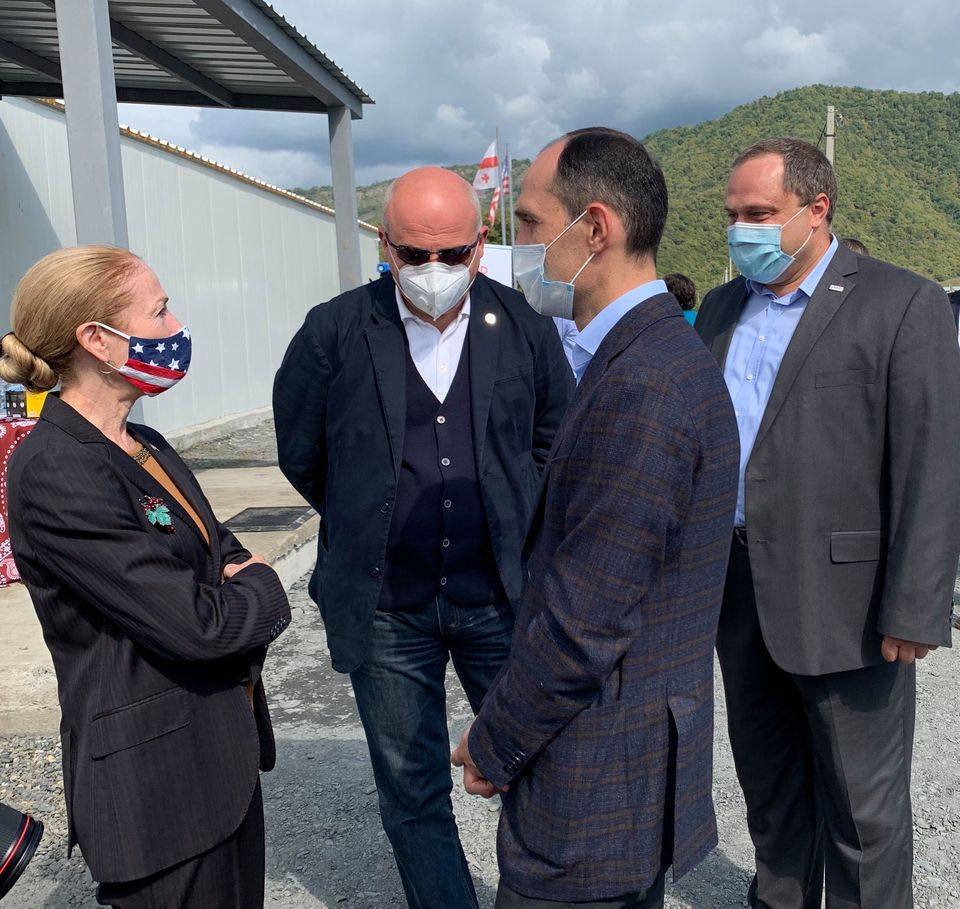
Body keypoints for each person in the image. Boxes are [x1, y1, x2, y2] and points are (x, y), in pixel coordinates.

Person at [451, 127, 739, 908]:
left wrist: (494, 740)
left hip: (597, 786)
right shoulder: (647, 356)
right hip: (622, 774)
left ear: (597, 228)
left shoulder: (643, 383)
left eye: (531, 223)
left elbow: (586, 621)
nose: (519, 247)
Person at [274, 166, 573, 909]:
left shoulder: (524, 328)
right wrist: (367, 511)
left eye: (451, 253)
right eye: (414, 254)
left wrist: (514, 516)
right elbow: (302, 451)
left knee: (536, 769)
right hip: (386, 610)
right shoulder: (334, 332)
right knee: (411, 789)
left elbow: (554, 442)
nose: (433, 270)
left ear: (480, 244)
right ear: (385, 244)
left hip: (499, 599)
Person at [696, 138, 960, 909]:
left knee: (862, 812)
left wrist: (916, 605)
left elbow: (932, 462)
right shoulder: (722, 307)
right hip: (738, 590)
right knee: (770, 788)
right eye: (732, 214)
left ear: (817, 209)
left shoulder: (901, 302)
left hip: (848, 601)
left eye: (759, 213)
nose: (741, 229)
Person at [3, 246, 291, 909]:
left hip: (218, 767)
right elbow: (195, 624)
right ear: (98, 340)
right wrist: (263, 587)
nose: (176, 326)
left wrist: (231, 582)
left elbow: (219, 549)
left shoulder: (145, 444)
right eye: (160, 311)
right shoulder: (56, 468)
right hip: (160, 794)